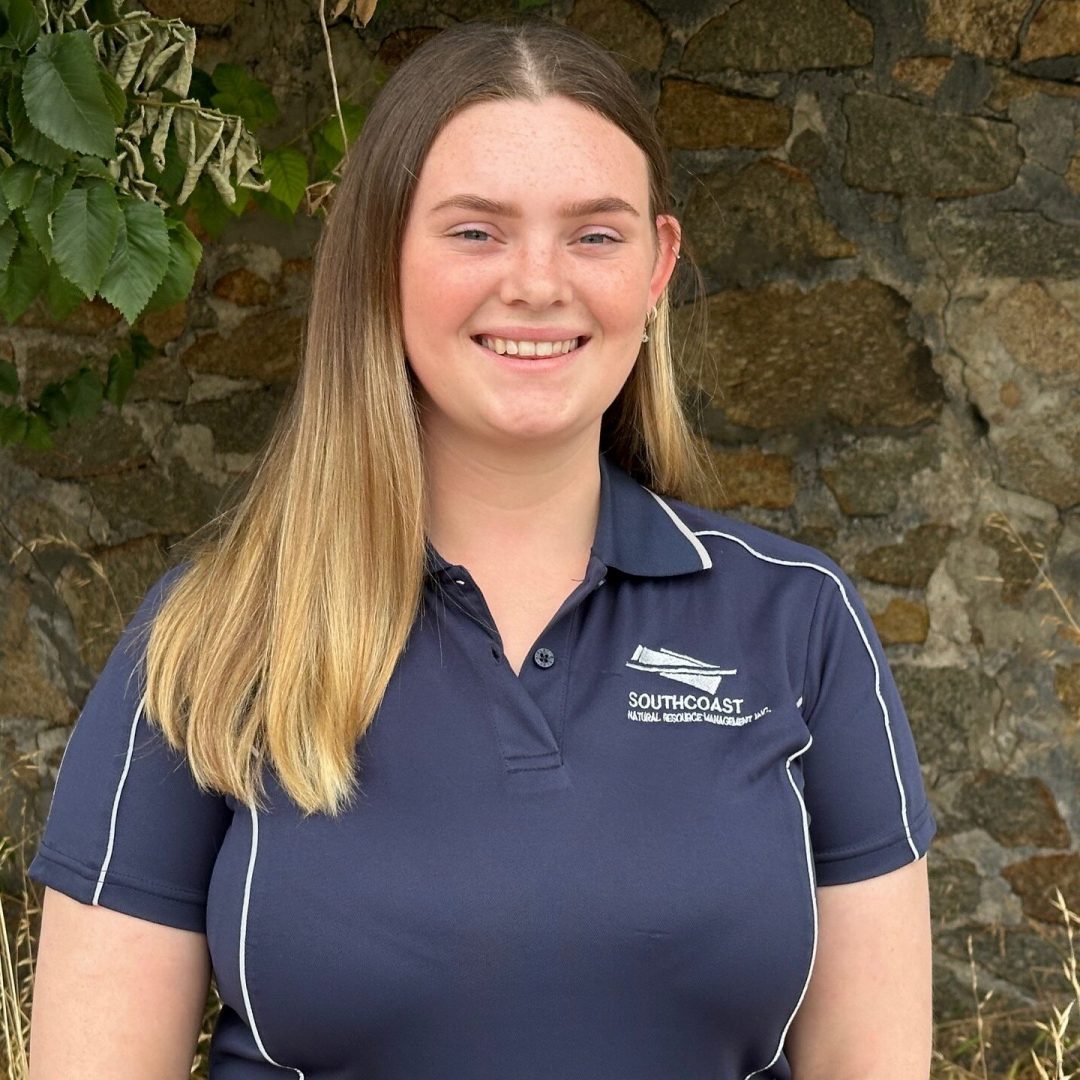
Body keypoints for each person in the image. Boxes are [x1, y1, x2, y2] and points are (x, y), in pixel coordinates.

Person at [25, 15, 935, 1080]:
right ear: (380, 258)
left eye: (595, 235)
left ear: (657, 265)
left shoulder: (798, 621)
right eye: (475, 232)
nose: (538, 283)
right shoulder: (216, 636)